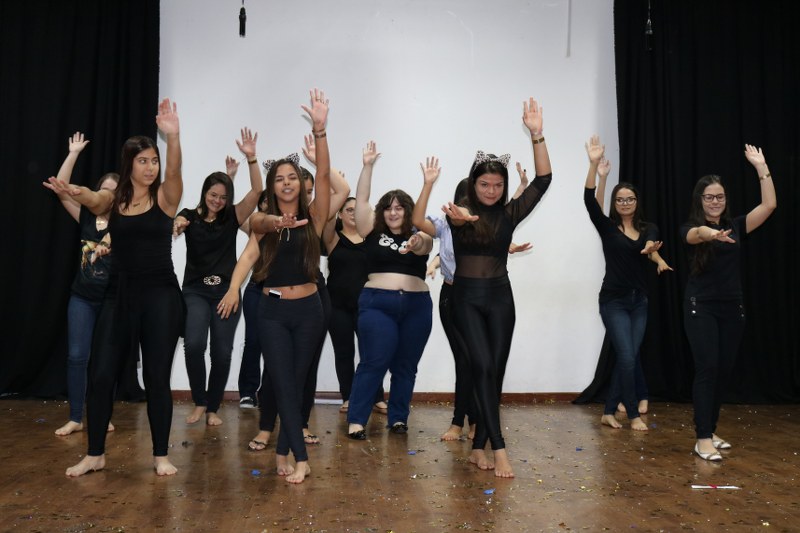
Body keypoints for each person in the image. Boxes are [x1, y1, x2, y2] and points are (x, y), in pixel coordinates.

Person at [47, 98, 184, 477]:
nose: (151, 167)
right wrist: (74, 190)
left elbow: (175, 170)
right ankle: (95, 454)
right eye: (143, 160)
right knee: (101, 374)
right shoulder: (115, 199)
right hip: (118, 294)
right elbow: (95, 199)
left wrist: (173, 137)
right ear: (129, 164)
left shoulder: (165, 196)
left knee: (156, 377)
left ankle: (160, 455)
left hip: (159, 296)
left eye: (154, 160)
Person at [219, 88, 330, 483]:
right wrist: (233, 288)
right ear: (271, 186)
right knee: (282, 381)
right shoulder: (262, 222)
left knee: (296, 384)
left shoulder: (315, 216)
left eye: (292, 178)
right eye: (279, 179)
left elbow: (327, 179)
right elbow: (249, 254)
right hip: (272, 312)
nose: (286, 183)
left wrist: (320, 131)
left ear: (301, 184)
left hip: (310, 311)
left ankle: (283, 449)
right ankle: (301, 458)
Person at [443, 97, 550, 478]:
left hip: (501, 298)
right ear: (472, 185)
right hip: (465, 299)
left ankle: (478, 448)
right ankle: (499, 449)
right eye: (484, 184)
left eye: (497, 185)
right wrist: (461, 218)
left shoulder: (508, 214)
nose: (491, 190)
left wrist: (537, 135)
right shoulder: (459, 214)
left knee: (496, 372)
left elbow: (543, 180)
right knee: (483, 366)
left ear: (504, 187)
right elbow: (458, 221)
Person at [413, 159, 532, 441]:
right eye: (465, 199)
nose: (470, 204)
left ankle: (478, 422)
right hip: (454, 297)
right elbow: (424, 228)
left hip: (487, 295)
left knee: (483, 363)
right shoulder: (448, 223)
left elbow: (502, 225)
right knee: (465, 360)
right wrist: (428, 184)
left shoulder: (488, 221)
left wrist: (521, 189)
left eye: (494, 187)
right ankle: (460, 421)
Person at [681, 144, 776, 461]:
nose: (715, 201)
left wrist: (761, 168)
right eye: (709, 197)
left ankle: (710, 429)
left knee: (723, 371)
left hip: (732, 308)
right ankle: (702, 438)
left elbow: (769, 205)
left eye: (719, 197)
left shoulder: (736, 225)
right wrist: (711, 234)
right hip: (701, 307)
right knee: (707, 368)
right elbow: (696, 234)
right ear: (700, 199)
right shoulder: (690, 228)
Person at [173, 128, 263, 426]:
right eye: (213, 195)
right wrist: (177, 223)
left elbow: (257, 192)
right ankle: (200, 402)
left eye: (223, 197)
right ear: (204, 193)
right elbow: (179, 219)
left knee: (222, 353)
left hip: (226, 292)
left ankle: (212, 407)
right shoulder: (190, 215)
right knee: (194, 345)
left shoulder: (232, 217)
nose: (217, 200)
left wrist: (252, 158)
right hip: (195, 292)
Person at [583, 135, 672, 431]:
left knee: (630, 358)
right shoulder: (608, 228)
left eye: (629, 199)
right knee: (626, 357)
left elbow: (651, 245)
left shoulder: (648, 228)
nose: (624, 203)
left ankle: (609, 411)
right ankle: (632, 414)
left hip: (639, 301)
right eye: (620, 200)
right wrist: (595, 167)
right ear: (615, 203)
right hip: (613, 301)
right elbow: (590, 201)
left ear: (636, 202)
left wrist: (655, 256)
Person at [346, 141, 434, 441]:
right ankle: (357, 420)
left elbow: (426, 244)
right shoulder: (370, 231)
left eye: (399, 208)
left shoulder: (419, 232)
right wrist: (367, 166)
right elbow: (361, 201)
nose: (393, 213)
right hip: (377, 304)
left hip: (417, 306)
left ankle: (398, 418)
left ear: (408, 211)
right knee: (374, 361)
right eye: (388, 208)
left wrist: (416, 243)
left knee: (406, 366)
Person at [46, 132, 118, 437]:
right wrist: (73, 153)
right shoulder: (86, 216)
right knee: (77, 356)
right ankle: (76, 416)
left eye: (112, 192)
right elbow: (62, 189)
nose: (106, 195)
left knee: (105, 361)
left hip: (112, 300)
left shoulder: (125, 222)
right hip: (82, 298)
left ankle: (102, 415)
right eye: (103, 189)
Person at [323, 196, 387, 415]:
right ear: (340, 214)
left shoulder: (372, 238)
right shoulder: (332, 238)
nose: (352, 213)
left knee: (372, 353)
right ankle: (348, 397)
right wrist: (335, 194)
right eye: (348, 209)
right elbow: (326, 217)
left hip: (367, 306)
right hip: (337, 306)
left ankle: (377, 397)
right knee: (344, 353)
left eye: (355, 209)